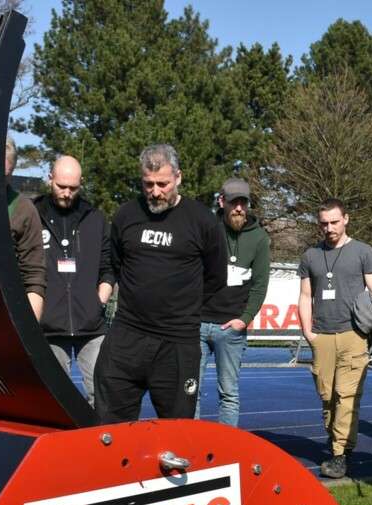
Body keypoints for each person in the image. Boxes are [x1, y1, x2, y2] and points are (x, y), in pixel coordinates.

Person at [94, 144, 226, 422]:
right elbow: (117, 264)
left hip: (177, 342)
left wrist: (181, 310)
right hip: (127, 337)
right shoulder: (126, 216)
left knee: (176, 431)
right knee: (108, 425)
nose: (155, 192)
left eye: (163, 184)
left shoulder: (202, 220)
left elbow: (216, 278)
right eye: (148, 184)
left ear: (178, 177)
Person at [297, 199, 372, 479]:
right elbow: (304, 295)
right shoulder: (311, 255)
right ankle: (336, 441)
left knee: (346, 397)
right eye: (324, 223)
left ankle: (341, 453)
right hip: (321, 335)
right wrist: (308, 332)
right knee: (327, 398)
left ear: (346, 219)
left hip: (354, 335)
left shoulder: (363, 251)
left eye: (334, 222)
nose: (329, 228)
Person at [35, 155, 114, 406]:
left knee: (102, 395)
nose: (67, 193)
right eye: (61, 186)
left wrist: (98, 301)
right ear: (50, 179)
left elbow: (108, 267)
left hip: (91, 328)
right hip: (48, 329)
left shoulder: (96, 218)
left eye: (73, 188)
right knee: (56, 400)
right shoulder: (32, 215)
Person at [198, 178, 271, 426]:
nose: (239, 208)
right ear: (222, 202)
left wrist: (244, 319)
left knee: (228, 394)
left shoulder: (259, 238)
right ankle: (188, 445)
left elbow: (260, 284)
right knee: (189, 390)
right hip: (197, 324)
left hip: (230, 329)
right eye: (233, 203)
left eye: (243, 203)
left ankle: (226, 451)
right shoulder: (207, 228)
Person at [5, 136, 45, 320]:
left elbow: (34, 276)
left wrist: (31, 328)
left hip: (2, 313)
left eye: (6, 174)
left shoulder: (24, 210)